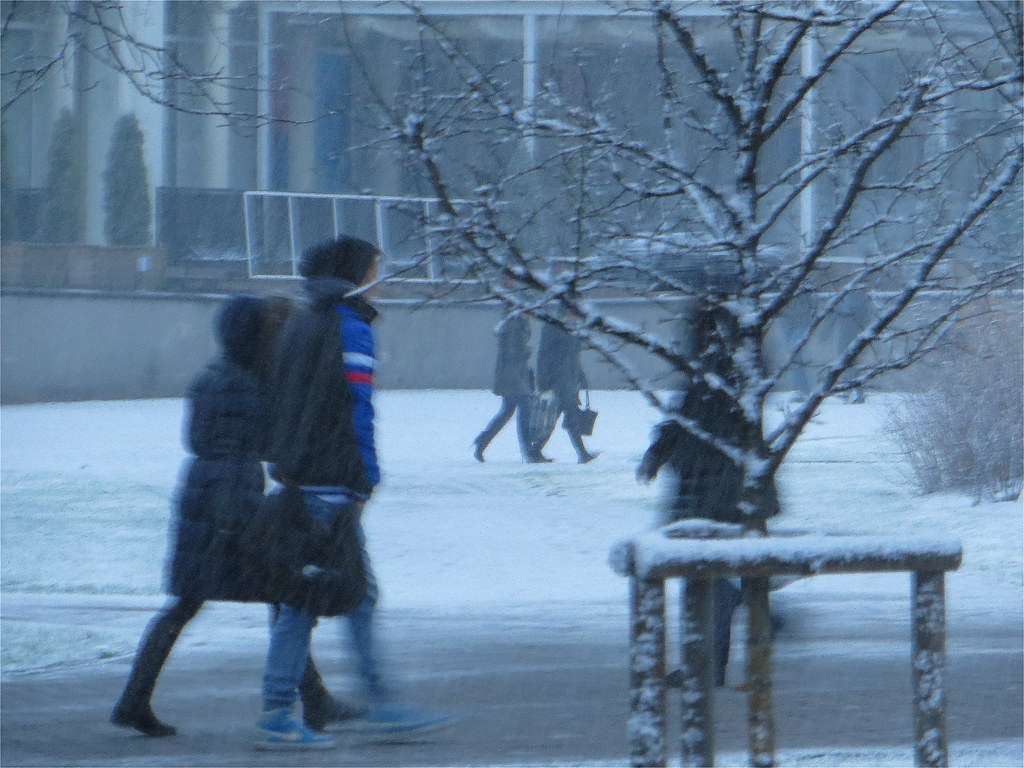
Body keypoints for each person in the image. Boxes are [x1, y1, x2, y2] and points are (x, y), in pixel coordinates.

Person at [110, 295, 353, 738]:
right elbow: (269, 445)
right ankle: (313, 701)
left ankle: (134, 699)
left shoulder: (211, 378)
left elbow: (201, 437)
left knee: (188, 603)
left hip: (201, 493)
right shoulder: (252, 383)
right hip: (233, 500)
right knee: (284, 594)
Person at [257, 236, 453, 750]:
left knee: (333, 595)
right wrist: (365, 479)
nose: (381, 280)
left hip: (301, 480)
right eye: (375, 269)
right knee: (312, 601)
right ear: (355, 274)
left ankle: (362, 702)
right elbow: (357, 408)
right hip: (332, 483)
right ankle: (285, 712)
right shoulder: (350, 327)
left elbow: (280, 404)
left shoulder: (301, 324)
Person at [636, 304, 781, 687]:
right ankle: (717, 656)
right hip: (727, 485)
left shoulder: (716, 370)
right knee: (719, 577)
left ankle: (709, 665)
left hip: (712, 487)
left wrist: (660, 451)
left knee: (709, 578)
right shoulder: (735, 366)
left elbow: (689, 418)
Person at [473, 313, 547, 463]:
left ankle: (482, 441)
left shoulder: (518, 322)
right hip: (513, 377)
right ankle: (528, 452)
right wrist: (526, 351)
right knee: (525, 411)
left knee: (507, 412)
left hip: (515, 375)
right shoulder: (515, 324)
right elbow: (513, 353)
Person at [534, 318, 597, 463]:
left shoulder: (573, 328)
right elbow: (544, 356)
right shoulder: (553, 328)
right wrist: (544, 381)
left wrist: (581, 376)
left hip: (568, 380)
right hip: (558, 380)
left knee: (561, 416)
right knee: (569, 415)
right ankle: (582, 454)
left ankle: (536, 449)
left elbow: (574, 357)